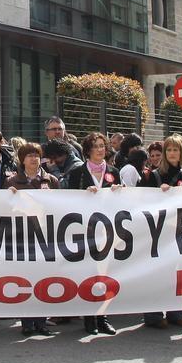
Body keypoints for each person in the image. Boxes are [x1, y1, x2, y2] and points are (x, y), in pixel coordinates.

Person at [65, 132, 121, 336]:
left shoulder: (114, 171)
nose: (100, 149)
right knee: (88, 274)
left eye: (102, 145)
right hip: (85, 232)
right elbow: (68, 201)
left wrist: (119, 192)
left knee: (105, 275)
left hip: (107, 231)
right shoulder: (77, 173)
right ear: (88, 150)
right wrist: (83, 196)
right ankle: (90, 318)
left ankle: (103, 317)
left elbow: (122, 202)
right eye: (95, 146)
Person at [139, 135, 182, 329]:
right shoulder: (152, 176)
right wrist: (158, 195)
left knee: (177, 273)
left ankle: (175, 312)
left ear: (181, 152)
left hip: (178, 230)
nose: (172, 153)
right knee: (156, 273)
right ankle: (153, 315)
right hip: (157, 231)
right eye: (169, 150)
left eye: (176, 150)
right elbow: (139, 201)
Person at [7, 142, 59, 337]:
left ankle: (41, 322)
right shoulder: (12, 182)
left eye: (36, 155)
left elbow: (60, 207)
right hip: (22, 238)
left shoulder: (51, 180)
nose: (34, 159)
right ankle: (27, 322)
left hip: (44, 237)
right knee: (25, 280)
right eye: (29, 155)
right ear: (22, 159)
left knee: (43, 280)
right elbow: (4, 210)